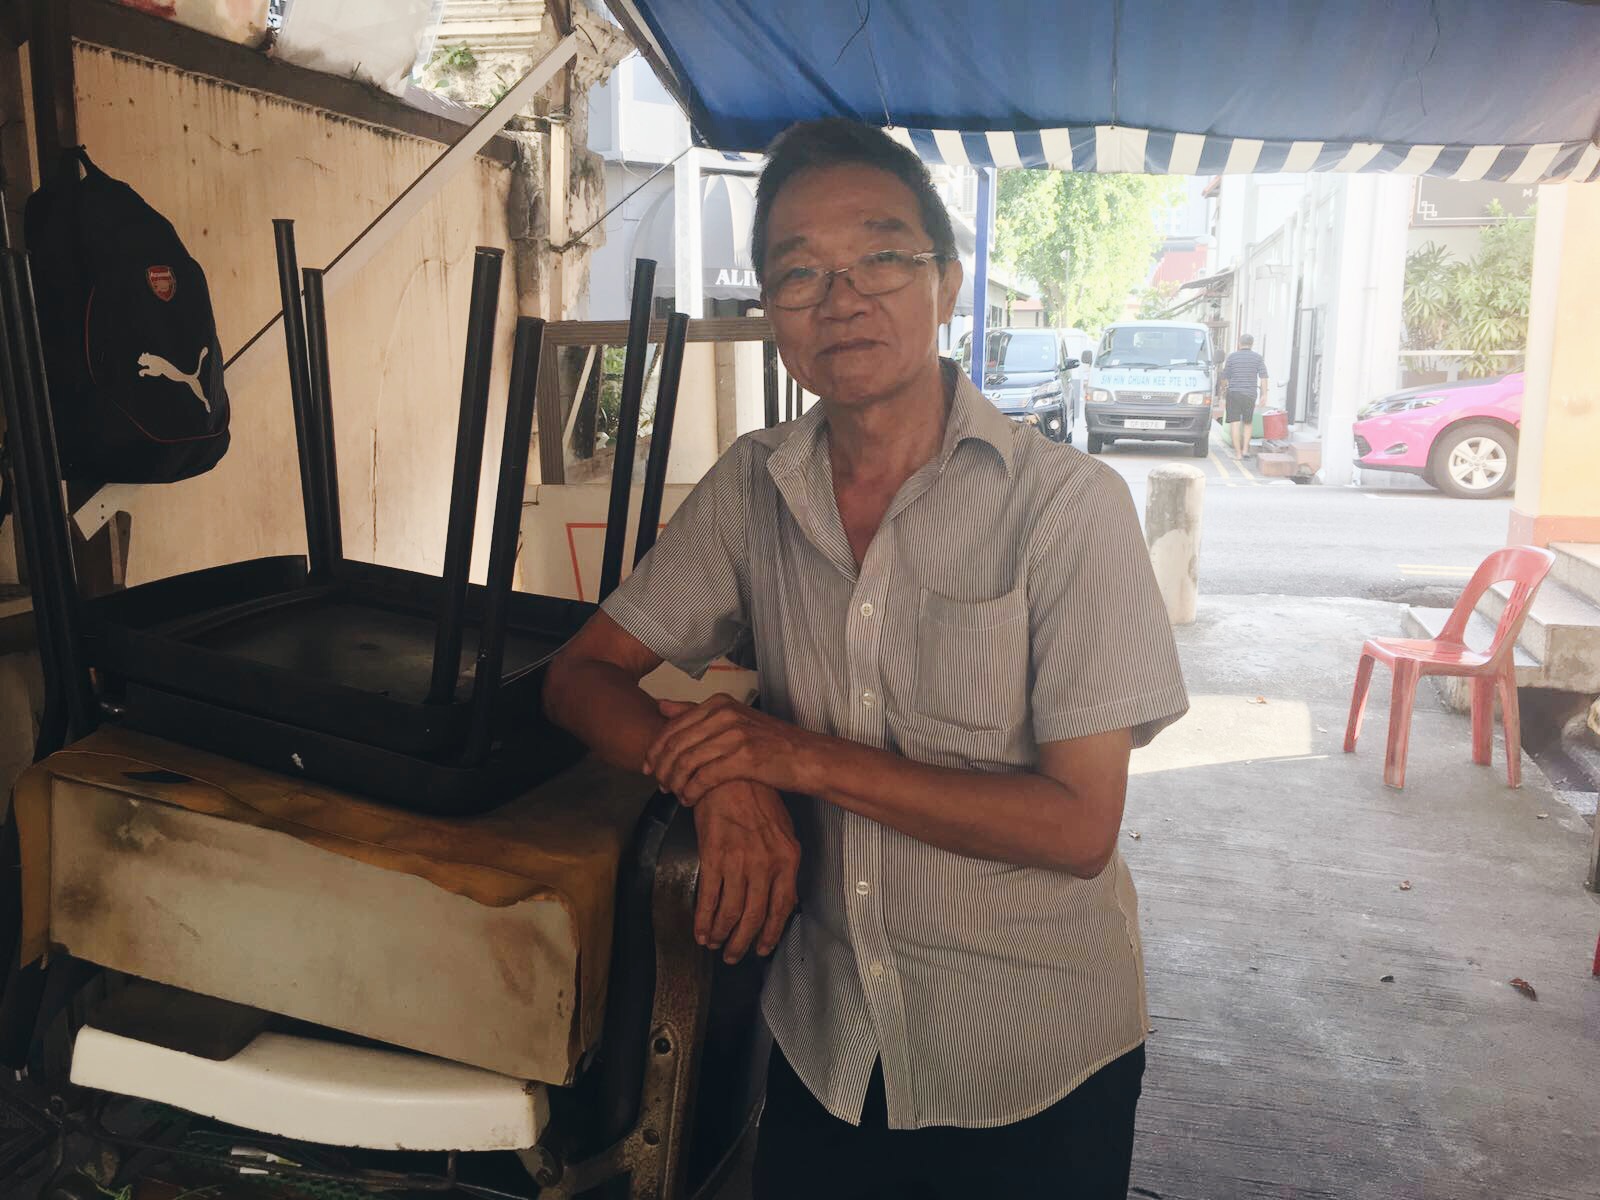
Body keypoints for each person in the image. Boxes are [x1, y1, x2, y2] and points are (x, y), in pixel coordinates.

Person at [542, 118, 1189, 1200]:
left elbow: (1076, 827)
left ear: (945, 280)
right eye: (798, 272)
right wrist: (719, 777)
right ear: (773, 314)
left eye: (880, 257)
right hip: (824, 1042)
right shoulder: (754, 489)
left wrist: (787, 757)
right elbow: (579, 677)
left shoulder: (1064, 509)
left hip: (1028, 1060)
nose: (840, 297)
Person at [1218, 334, 1269, 460]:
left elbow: (1224, 377)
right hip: (1250, 394)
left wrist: (1223, 390)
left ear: (1239, 343)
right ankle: (1246, 450)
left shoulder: (1232, 357)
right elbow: (1263, 377)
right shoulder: (1257, 358)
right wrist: (1264, 394)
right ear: (1251, 344)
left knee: (1235, 423)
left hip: (1234, 393)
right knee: (1248, 423)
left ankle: (1238, 454)